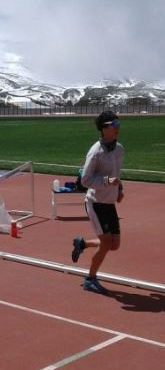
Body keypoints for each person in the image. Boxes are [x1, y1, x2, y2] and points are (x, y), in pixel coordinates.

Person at [71, 110, 124, 294]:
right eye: (114, 125)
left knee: (114, 245)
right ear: (104, 128)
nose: (118, 128)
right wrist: (106, 182)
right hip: (95, 202)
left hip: (109, 202)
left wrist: (119, 189)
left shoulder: (119, 149)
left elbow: (116, 173)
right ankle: (90, 279)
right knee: (106, 243)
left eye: (118, 124)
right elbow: (84, 181)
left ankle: (82, 244)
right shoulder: (95, 152)